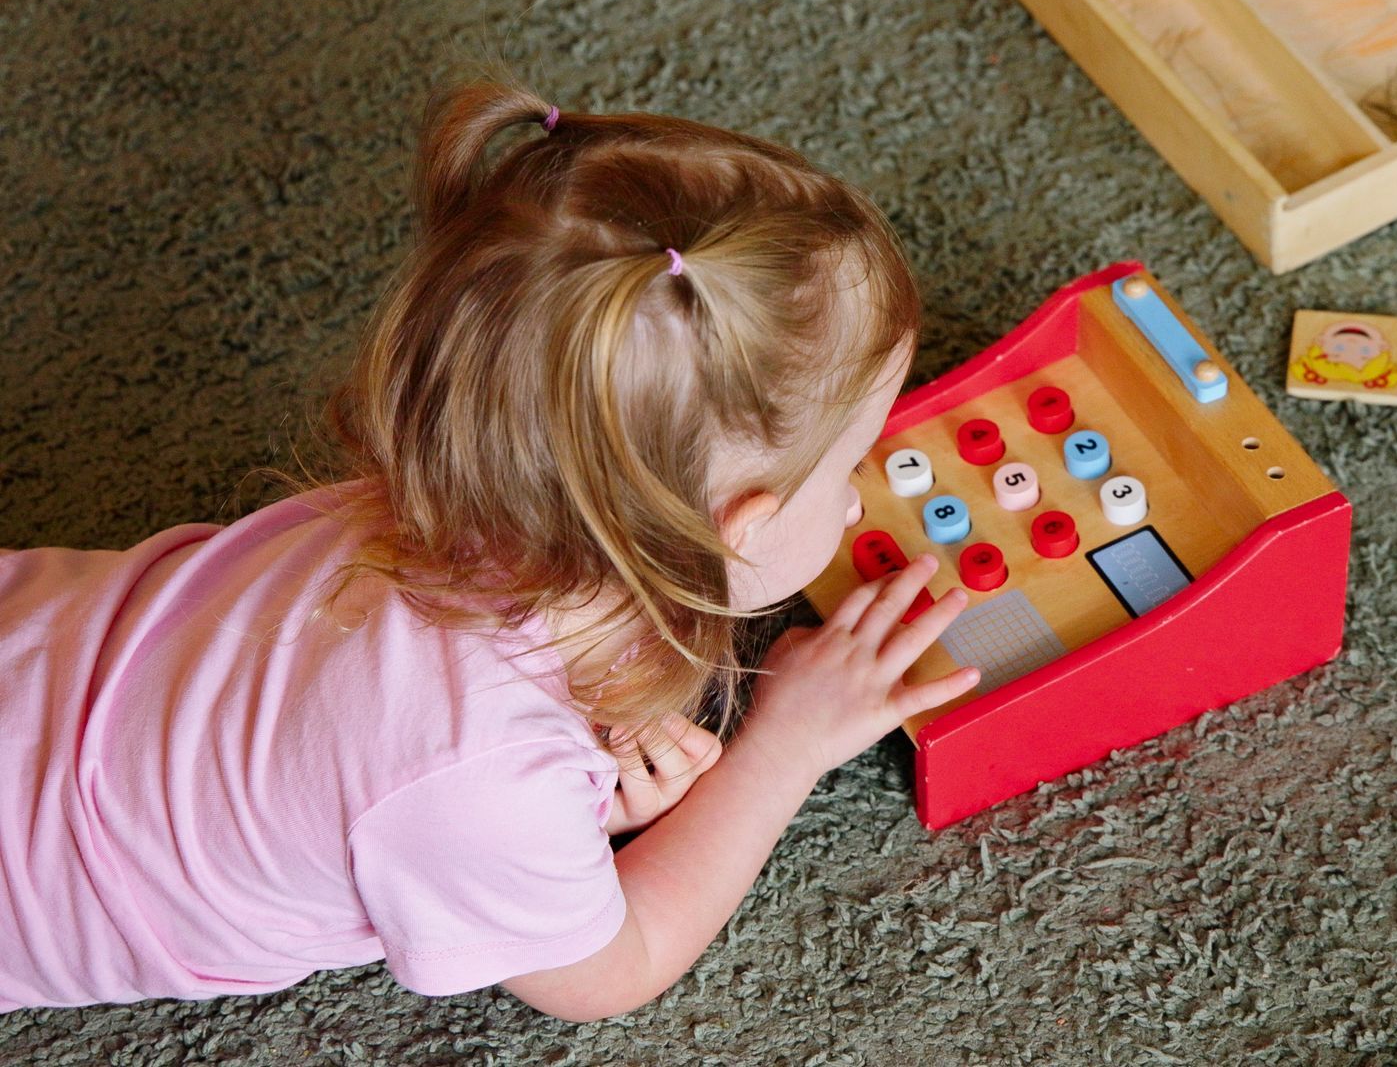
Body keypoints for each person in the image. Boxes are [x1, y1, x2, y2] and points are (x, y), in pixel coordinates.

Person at [0, 79, 980, 1022]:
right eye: (851, 460)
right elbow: (610, 968)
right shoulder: (476, 785)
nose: (858, 498)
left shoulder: (470, 477)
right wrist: (784, 745)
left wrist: (581, 787)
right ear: (744, 526)